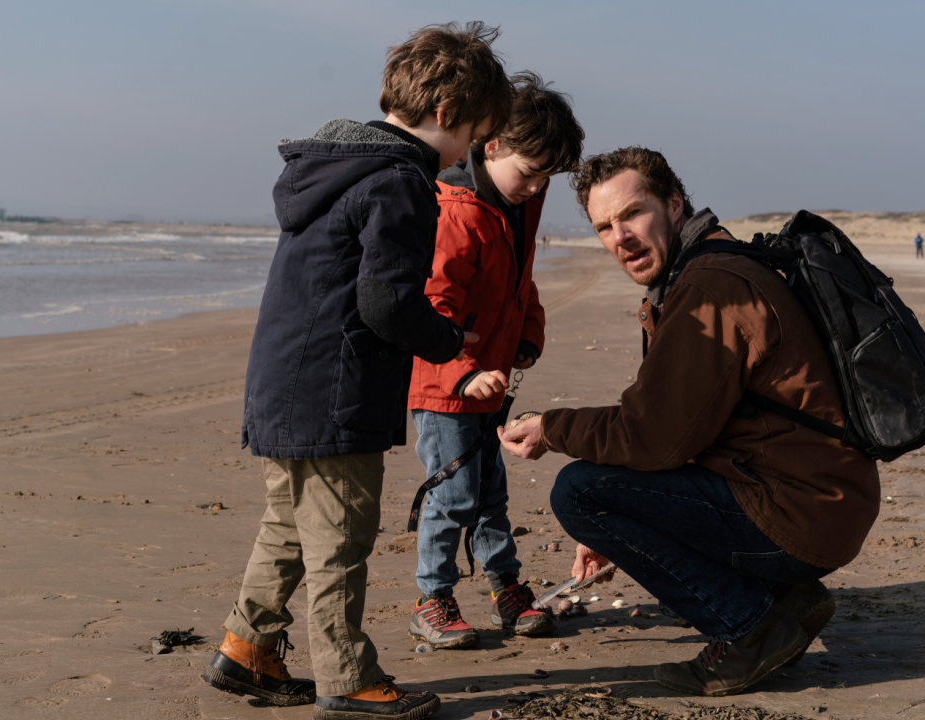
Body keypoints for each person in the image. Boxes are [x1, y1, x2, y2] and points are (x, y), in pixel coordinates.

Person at [202, 22, 513, 720]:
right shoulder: (400, 182)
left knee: (286, 524)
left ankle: (245, 647)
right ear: (445, 114)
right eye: (473, 137)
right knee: (340, 537)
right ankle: (346, 676)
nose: (468, 154)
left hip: (280, 383)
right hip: (337, 391)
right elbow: (385, 302)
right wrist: (446, 339)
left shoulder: (334, 166)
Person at [500, 147, 880, 697]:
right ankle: (784, 601)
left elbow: (652, 437)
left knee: (582, 493)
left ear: (674, 205)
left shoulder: (708, 287)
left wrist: (552, 429)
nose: (620, 237)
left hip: (801, 512)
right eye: (604, 226)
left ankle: (750, 628)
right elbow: (687, 431)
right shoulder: (707, 267)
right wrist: (638, 515)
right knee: (609, 488)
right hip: (821, 500)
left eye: (632, 214)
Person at [406, 72, 584, 649]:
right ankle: (432, 597)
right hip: (444, 385)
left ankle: (506, 586)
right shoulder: (454, 211)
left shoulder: (516, 204)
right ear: (493, 145)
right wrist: (464, 371)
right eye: (529, 173)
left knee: (490, 492)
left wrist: (527, 332)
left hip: (492, 378)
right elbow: (430, 306)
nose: (535, 188)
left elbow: (520, 280)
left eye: (546, 178)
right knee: (453, 494)